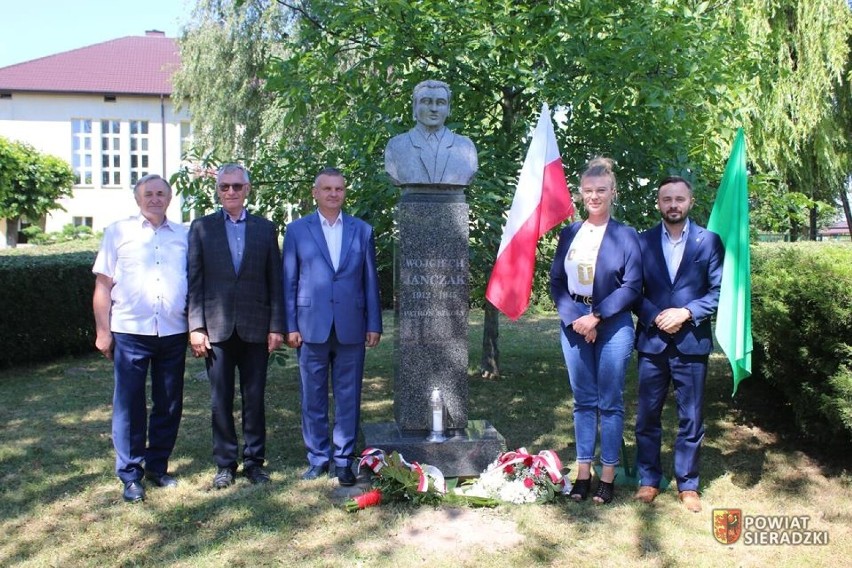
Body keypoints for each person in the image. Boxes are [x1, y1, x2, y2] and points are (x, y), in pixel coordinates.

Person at [550, 157, 642, 504]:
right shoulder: (570, 233)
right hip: (573, 323)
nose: (594, 196)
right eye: (588, 191)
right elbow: (557, 281)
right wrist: (577, 317)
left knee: (611, 402)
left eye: (601, 190)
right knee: (583, 401)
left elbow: (632, 286)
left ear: (612, 192)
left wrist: (597, 317)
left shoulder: (625, 235)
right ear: (580, 194)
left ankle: (608, 475)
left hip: (613, 323)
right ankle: (583, 474)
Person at [283, 167, 383, 486]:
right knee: (312, 394)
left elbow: (370, 281)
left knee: (348, 393)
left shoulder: (361, 230)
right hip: (310, 325)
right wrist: (289, 325)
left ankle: (343, 459)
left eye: (338, 189)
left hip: (352, 325)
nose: (332, 194)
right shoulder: (297, 231)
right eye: (326, 189)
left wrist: (374, 323)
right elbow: (289, 281)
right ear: (315, 192)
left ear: (344, 193)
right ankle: (318, 457)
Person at [187, 163, 285, 488]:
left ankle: (254, 462)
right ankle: (225, 464)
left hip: (257, 327)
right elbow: (195, 282)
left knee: (254, 398)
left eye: (237, 187)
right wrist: (195, 326)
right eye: (225, 187)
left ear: (248, 190)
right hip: (216, 329)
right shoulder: (201, 228)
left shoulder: (265, 229)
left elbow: (275, 281)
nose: (231, 192)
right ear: (217, 191)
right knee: (221, 399)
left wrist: (276, 326)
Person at [92, 174, 188, 503]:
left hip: (173, 331)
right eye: (148, 194)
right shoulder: (118, 232)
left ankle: (157, 466)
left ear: (170, 198)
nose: (155, 199)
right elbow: (103, 286)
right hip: (130, 331)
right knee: (129, 404)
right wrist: (103, 331)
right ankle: (131, 474)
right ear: (137, 198)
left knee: (169, 403)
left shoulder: (184, 236)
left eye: (161, 193)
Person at [633, 176, 723, 513]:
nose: (673, 204)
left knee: (692, 418)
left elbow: (717, 291)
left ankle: (688, 484)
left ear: (691, 201)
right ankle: (648, 480)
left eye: (679, 199)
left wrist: (685, 312)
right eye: (667, 199)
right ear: (658, 203)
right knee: (647, 417)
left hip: (692, 342)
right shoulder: (641, 243)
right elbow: (632, 290)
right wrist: (657, 316)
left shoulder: (709, 242)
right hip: (653, 342)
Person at [384, 79, 478, 187]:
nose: (434, 109)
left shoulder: (466, 147)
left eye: (440, 103)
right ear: (414, 107)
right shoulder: (396, 146)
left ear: (448, 109)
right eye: (426, 102)